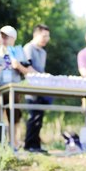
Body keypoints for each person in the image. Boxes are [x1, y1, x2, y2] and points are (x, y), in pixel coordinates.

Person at [0, 25, 35, 149]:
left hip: (14, 88)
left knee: (14, 116)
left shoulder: (19, 52)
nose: (3, 39)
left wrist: (17, 65)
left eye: (5, 37)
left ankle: (13, 142)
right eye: (2, 36)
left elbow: (27, 71)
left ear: (12, 38)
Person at [23, 24, 51, 153]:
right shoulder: (29, 48)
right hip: (32, 87)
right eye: (44, 36)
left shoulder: (43, 52)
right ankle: (29, 145)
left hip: (42, 87)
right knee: (33, 116)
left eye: (48, 36)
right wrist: (40, 77)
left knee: (39, 117)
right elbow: (27, 67)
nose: (46, 39)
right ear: (36, 35)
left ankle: (36, 144)